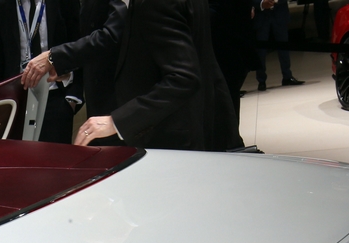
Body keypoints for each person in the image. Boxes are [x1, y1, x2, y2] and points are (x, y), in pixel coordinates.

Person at [24, 0, 241, 151]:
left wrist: (118, 121)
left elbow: (184, 78)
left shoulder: (155, 3)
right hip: (187, 123)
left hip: (169, 133)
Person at [0, 0, 82, 143]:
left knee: (55, 155)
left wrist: (72, 98)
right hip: (16, 99)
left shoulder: (63, 3)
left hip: (56, 96)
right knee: (17, 155)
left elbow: (78, 43)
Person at [253, 0, 304, 91]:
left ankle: (287, 76)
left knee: (284, 46)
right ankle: (261, 80)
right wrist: (261, 4)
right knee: (261, 50)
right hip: (261, 14)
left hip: (279, 11)